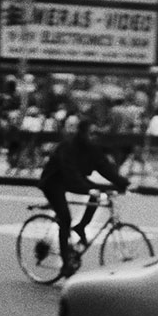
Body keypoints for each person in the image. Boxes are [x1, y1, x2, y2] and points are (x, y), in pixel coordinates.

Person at [38, 116, 131, 278]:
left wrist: (124, 184)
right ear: (82, 133)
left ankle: (81, 226)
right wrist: (88, 189)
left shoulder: (92, 148)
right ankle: (65, 264)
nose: (94, 136)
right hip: (54, 181)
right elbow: (70, 172)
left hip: (73, 179)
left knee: (97, 194)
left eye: (96, 133)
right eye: (91, 133)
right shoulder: (68, 146)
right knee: (65, 219)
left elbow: (104, 168)